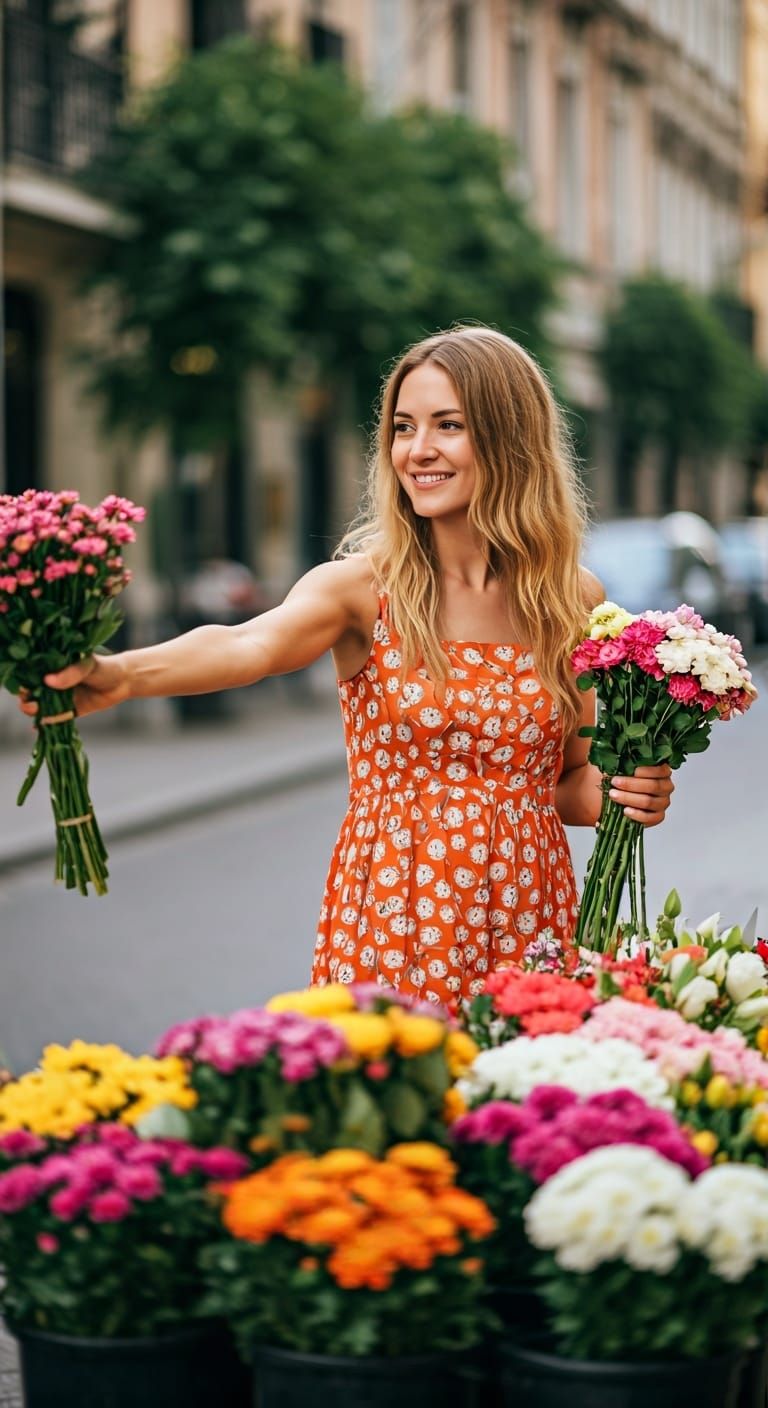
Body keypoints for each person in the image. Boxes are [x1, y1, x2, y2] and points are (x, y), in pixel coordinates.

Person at [20, 327, 674, 1006]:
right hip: (397, 920)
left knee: (513, 1108)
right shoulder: (362, 589)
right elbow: (250, 646)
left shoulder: (571, 599)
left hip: (532, 923)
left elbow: (569, 780)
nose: (417, 451)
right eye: (403, 427)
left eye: (448, 425)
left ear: (511, 439)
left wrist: (630, 791)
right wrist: (123, 675)